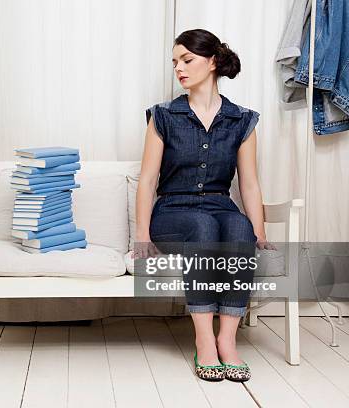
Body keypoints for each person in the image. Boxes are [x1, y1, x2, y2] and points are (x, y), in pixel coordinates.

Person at [135, 29, 274, 382]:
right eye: (175, 62)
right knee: (203, 227)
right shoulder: (163, 116)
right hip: (173, 212)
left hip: (219, 205)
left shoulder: (242, 120)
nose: (178, 68)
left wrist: (259, 231)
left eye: (187, 60)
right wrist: (141, 234)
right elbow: (148, 180)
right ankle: (203, 340)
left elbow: (250, 182)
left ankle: (227, 340)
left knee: (239, 227)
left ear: (212, 62)